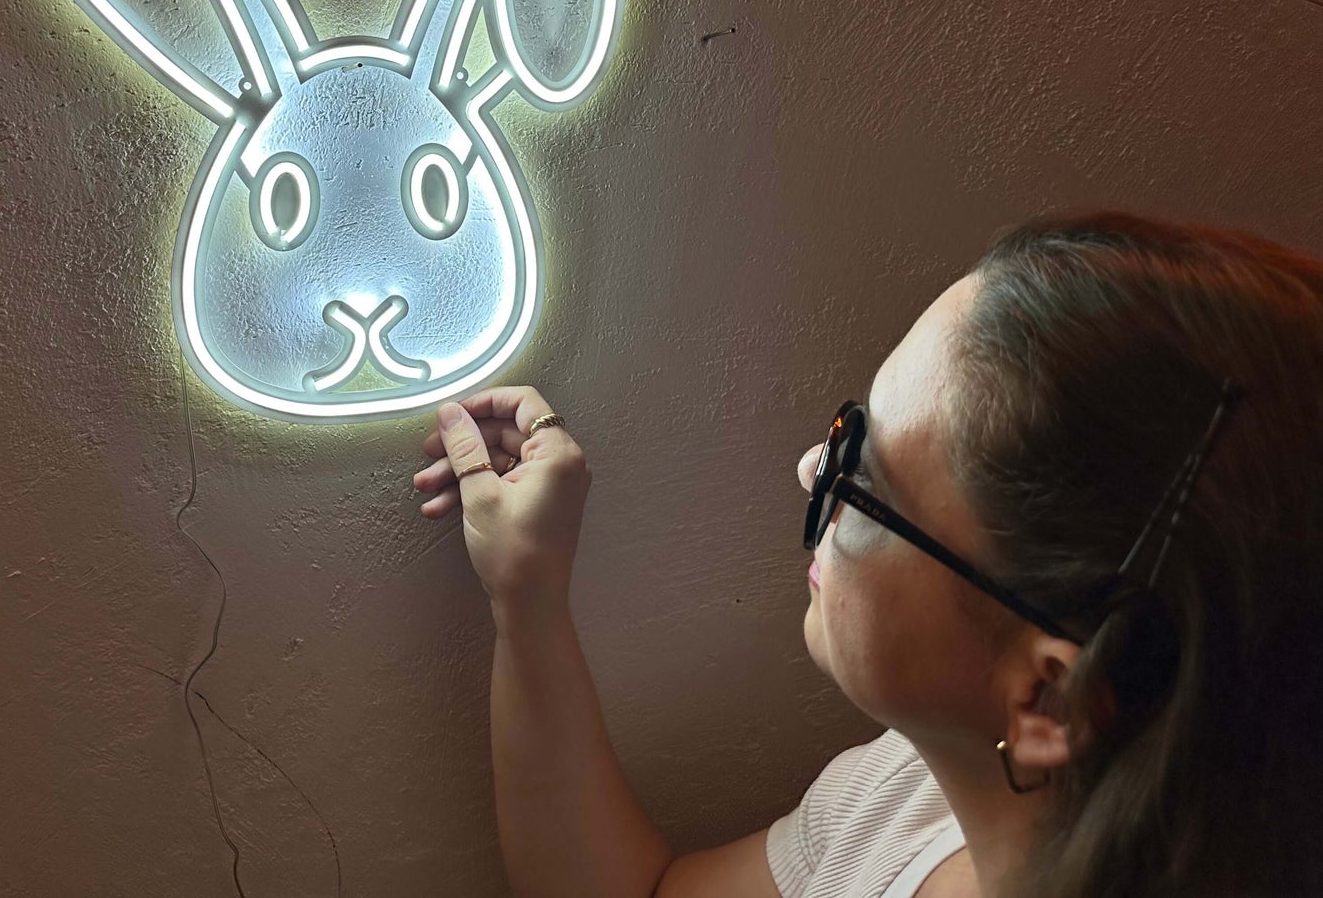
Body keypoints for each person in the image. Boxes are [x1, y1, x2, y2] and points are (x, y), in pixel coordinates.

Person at [412, 212, 1323, 897]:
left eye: (868, 482)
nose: (813, 469)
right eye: (851, 428)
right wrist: (527, 596)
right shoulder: (920, 789)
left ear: (1049, 699)